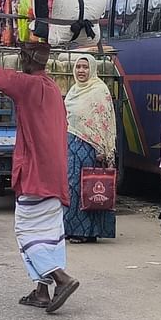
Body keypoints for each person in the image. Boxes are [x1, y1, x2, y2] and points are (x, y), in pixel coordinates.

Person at [0, 13, 80, 314]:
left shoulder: (27, 84)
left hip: (36, 172)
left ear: (26, 58)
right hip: (55, 173)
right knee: (50, 232)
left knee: (26, 230)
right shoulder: (51, 87)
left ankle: (60, 278)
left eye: (22, 54)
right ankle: (41, 292)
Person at [63, 54, 117, 244]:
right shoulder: (73, 91)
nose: (81, 71)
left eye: (85, 67)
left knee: (90, 187)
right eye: (78, 67)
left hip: (92, 147)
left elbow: (106, 121)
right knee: (72, 186)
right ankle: (72, 228)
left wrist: (103, 148)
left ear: (92, 69)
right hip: (73, 143)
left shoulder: (99, 90)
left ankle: (87, 231)